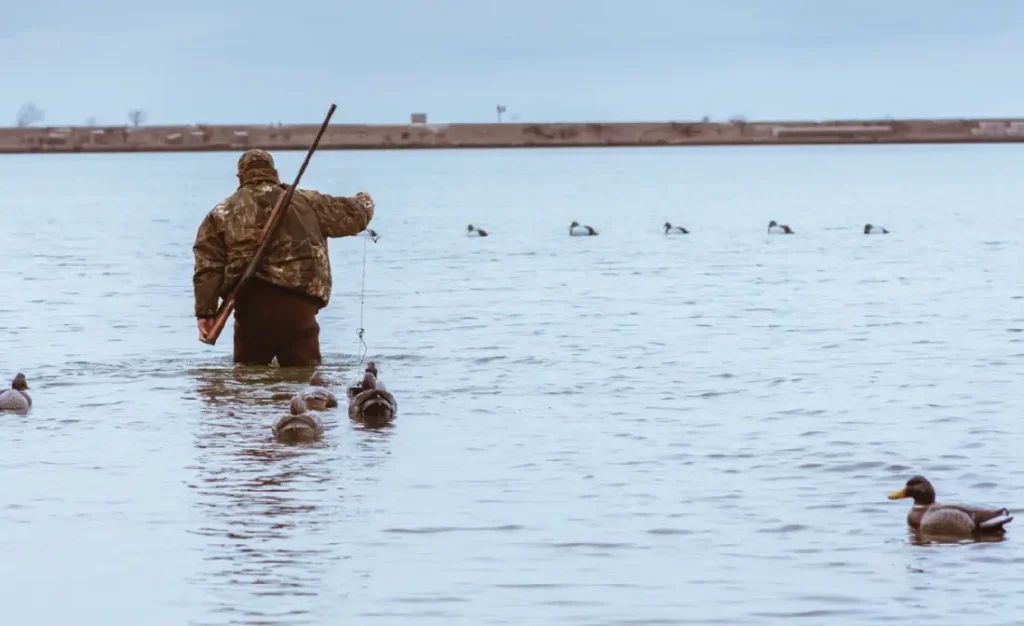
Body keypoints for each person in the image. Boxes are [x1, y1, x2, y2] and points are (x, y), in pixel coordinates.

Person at [192, 148, 375, 366]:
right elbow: (354, 215)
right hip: (299, 308)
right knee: (306, 385)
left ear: (240, 176)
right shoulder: (307, 201)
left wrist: (205, 312)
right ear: (274, 172)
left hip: (251, 309)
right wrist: (365, 201)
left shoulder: (220, 213)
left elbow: (207, 267)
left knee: (248, 384)